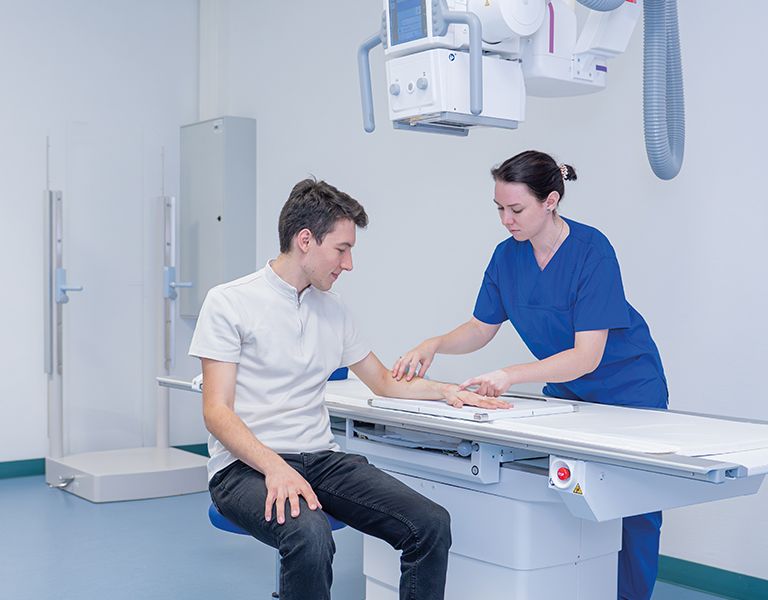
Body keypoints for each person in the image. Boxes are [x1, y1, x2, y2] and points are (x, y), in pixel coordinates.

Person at [189, 178, 508, 600]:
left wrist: (447, 391)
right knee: (310, 533)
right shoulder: (229, 302)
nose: (349, 263)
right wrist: (274, 466)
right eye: (342, 249)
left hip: (319, 459)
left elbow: (383, 381)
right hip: (244, 468)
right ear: (306, 240)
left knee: (429, 523)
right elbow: (216, 411)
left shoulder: (334, 309)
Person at [392, 150, 668, 600]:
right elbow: (481, 327)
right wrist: (435, 344)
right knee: (570, 505)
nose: (506, 220)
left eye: (516, 209)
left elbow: (588, 356)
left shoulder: (591, 251)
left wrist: (510, 374)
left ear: (551, 201)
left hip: (628, 389)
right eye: (499, 208)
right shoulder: (507, 257)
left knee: (633, 513)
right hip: (569, 394)